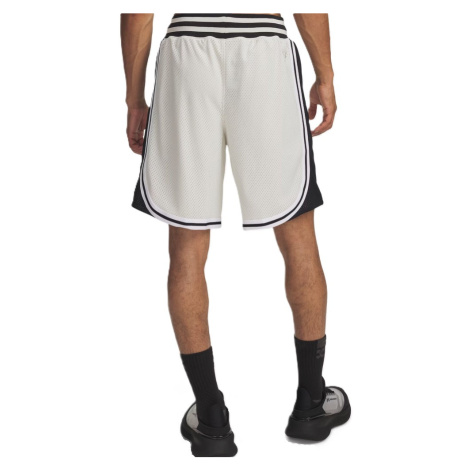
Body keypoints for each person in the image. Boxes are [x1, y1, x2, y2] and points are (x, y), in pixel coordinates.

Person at [121, 13, 350, 457]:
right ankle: (311, 404)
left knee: (187, 247)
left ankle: (211, 419)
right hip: (264, 49)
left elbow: (137, 13)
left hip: (187, 52)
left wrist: (134, 97)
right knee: (298, 235)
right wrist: (325, 76)